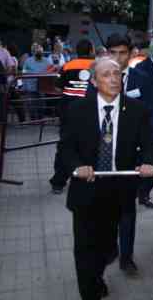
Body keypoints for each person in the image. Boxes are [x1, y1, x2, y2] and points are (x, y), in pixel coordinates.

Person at [59, 57, 153, 300]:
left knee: (107, 248)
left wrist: (149, 162)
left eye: (117, 74)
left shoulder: (137, 110)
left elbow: (150, 145)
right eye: (106, 75)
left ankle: (98, 271)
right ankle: (89, 290)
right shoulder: (77, 109)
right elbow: (65, 148)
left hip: (118, 189)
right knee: (85, 248)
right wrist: (77, 166)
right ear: (94, 81)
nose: (113, 79)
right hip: (86, 188)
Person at [84, 34, 153, 275]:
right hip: (101, 157)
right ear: (107, 53)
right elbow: (87, 114)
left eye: (123, 53)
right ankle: (108, 248)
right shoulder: (95, 79)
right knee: (101, 211)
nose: (118, 58)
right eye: (113, 53)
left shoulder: (143, 78)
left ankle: (126, 258)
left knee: (127, 211)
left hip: (130, 157)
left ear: (131, 54)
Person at [50, 38, 95, 194]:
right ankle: (86, 178)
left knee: (65, 145)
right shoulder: (97, 66)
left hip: (67, 111)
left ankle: (58, 182)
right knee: (89, 145)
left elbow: (57, 88)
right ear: (91, 51)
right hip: (90, 111)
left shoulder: (67, 66)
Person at [129, 40, 153, 208]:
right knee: (146, 160)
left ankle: (144, 193)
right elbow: (138, 100)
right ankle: (139, 193)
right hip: (147, 124)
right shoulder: (140, 69)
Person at [22, 43, 53, 120]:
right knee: (31, 106)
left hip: (42, 87)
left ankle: (40, 120)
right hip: (30, 87)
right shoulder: (27, 61)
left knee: (42, 106)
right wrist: (24, 86)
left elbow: (52, 72)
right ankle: (33, 121)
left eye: (39, 48)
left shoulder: (47, 61)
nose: (38, 50)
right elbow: (23, 73)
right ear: (32, 51)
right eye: (35, 49)